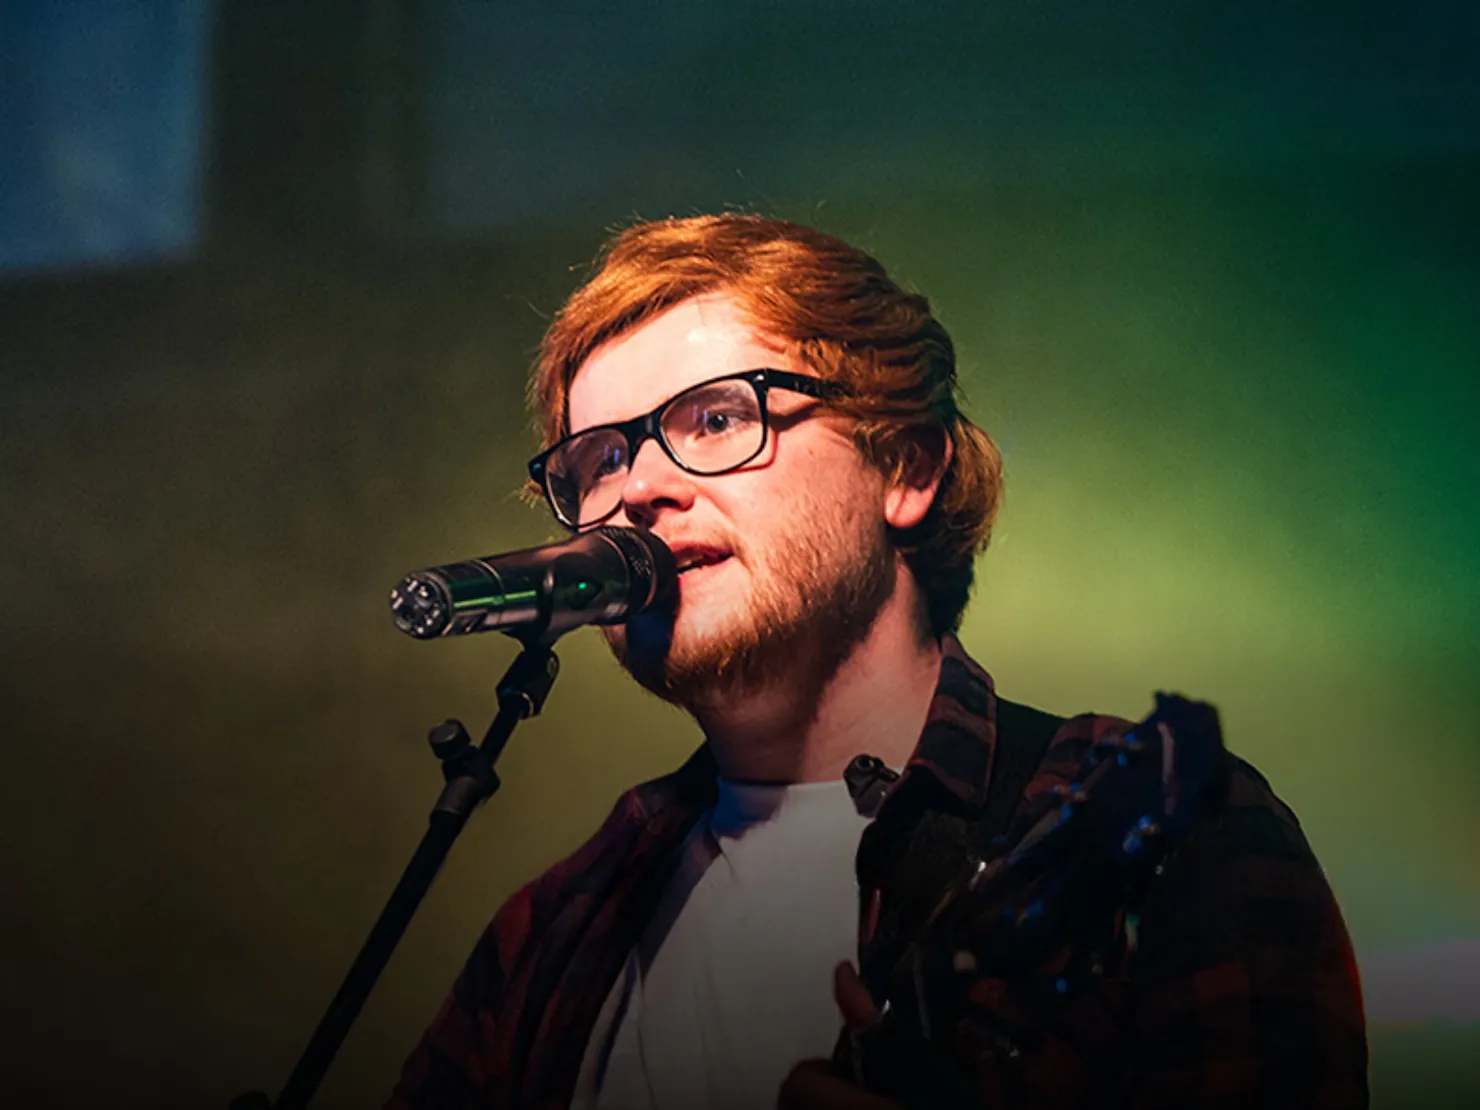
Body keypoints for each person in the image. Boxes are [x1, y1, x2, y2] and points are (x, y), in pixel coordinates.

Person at [387, 215, 1367, 1109]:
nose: (638, 487)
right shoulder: (552, 929)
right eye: (595, 460)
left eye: (715, 419)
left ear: (905, 465)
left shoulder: (1159, 834)